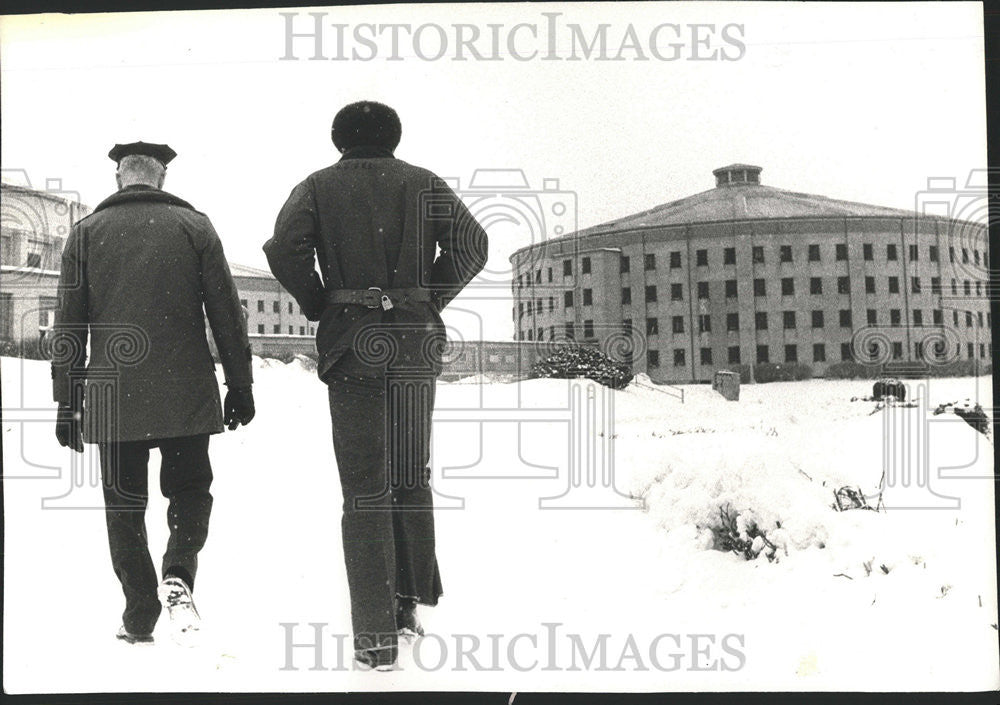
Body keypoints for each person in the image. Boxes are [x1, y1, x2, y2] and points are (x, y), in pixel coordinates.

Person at [263, 101, 488, 670]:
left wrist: (321, 302)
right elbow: (472, 245)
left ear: (340, 139)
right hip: (413, 344)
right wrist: (427, 295)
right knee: (410, 473)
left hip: (353, 345)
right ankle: (408, 603)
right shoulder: (424, 182)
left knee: (364, 486)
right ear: (394, 137)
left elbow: (283, 247)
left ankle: (375, 640)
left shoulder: (317, 186)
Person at [52, 141, 256, 645]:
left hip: (112, 394)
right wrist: (241, 383)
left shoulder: (85, 234)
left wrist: (66, 401)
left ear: (121, 178)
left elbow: (69, 326)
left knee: (123, 505)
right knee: (189, 490)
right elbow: (227, 314)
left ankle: (139, 609)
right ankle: (179, 572)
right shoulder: (195, 227)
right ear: (160, 179)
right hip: (184, 392)